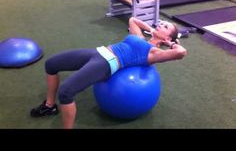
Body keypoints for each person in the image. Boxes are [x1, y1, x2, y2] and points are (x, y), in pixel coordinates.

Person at [30, 17, 187, 129]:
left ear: (167, 38)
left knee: (65, 92)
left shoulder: (154, 53)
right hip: (97, 52)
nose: (161, 24)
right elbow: (133, 20)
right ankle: (49, 106)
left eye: (165, 27)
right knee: (51, 64)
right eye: (162, 23)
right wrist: (152, 30)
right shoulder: (139, 37)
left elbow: (181, 53)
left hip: (107, 63)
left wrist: (172, 44)